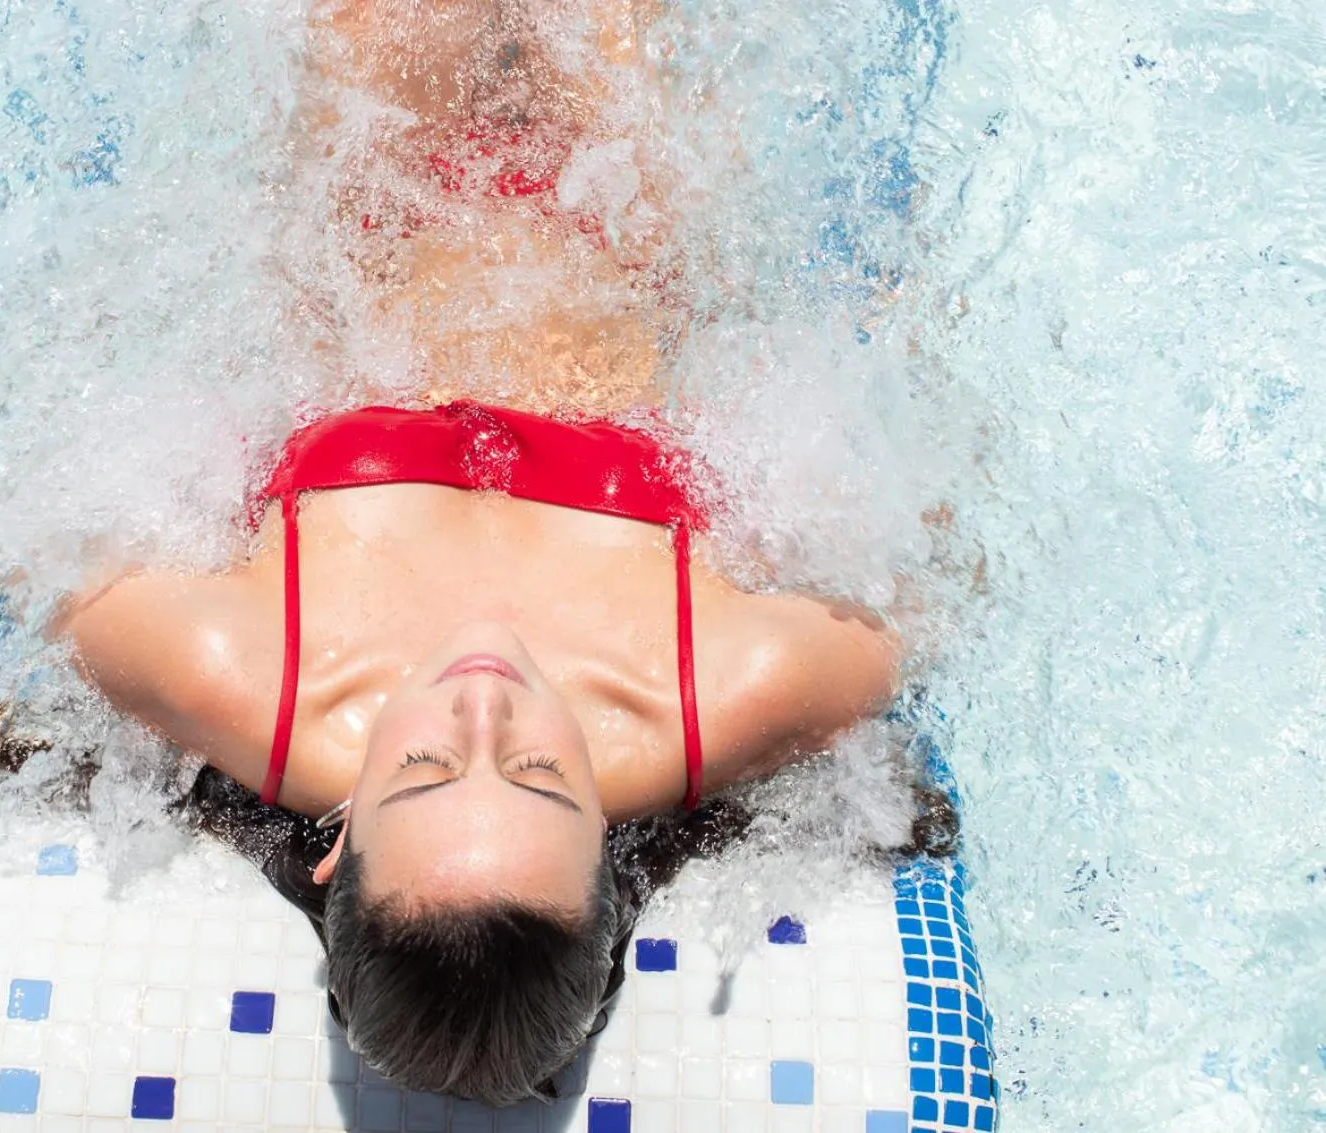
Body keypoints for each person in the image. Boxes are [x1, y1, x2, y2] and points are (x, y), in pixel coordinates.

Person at [45, 0, 904, 1108]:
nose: (482, 711)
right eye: (543, 774)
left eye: (420, 769)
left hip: (378, 186)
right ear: (606, 847)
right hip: (619, 203)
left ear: (335, 839)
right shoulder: (723, 687)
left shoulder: (241, 673)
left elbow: (37, 505)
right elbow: (936, 525)